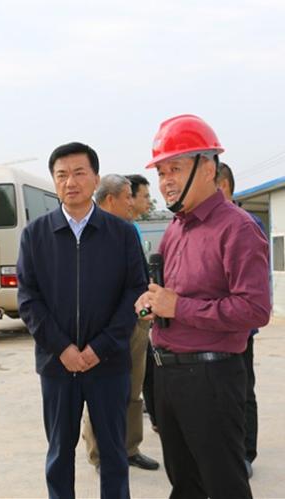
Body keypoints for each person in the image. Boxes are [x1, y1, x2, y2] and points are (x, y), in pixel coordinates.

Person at [135, 115, 271, 499]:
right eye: (161, 172)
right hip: (168, 375)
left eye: (175, 168)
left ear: (208, 168)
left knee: (224, 485)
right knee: (184, 485)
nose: (166, 181)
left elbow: (254, 309)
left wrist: (179, 307)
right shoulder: (176, 227)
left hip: (211, 378)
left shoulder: (238, 228)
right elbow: (170, 294)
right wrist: (151, 302)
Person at [17, 143, 146, 499]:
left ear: (96, 179)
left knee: (114, 452)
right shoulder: (35, 234)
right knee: (60, 452)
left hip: (109, 364)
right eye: (61, 175)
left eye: (78, 173)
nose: (70, 182)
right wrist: (62, 348)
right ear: (54, 181)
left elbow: (134, 293)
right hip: (58, 366)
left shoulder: (121, 233)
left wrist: (99, 347)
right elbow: (28, 299)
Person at [81, 174, 160, 472]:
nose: (131, 202)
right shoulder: (88, 231)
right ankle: (99, 455)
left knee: (132, 388)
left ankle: (129, 448)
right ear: (110, 199)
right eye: (127, 196)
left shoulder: (129, 230)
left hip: (134, 323)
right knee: (100, 392)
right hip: (103, 328)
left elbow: (138, 278)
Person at [216, 161, 268, 479]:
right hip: (214, 328)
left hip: (240, 327)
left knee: (244, 390)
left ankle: (246, 453)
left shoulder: (246, 223)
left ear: (222, 185)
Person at [125, 174, 158, 433]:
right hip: (127, 318)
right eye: (144, 196)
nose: (148, 201)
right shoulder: (120, 229)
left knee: (142, 376)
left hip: (140, 315)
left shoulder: (133, 227)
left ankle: (132, 445)